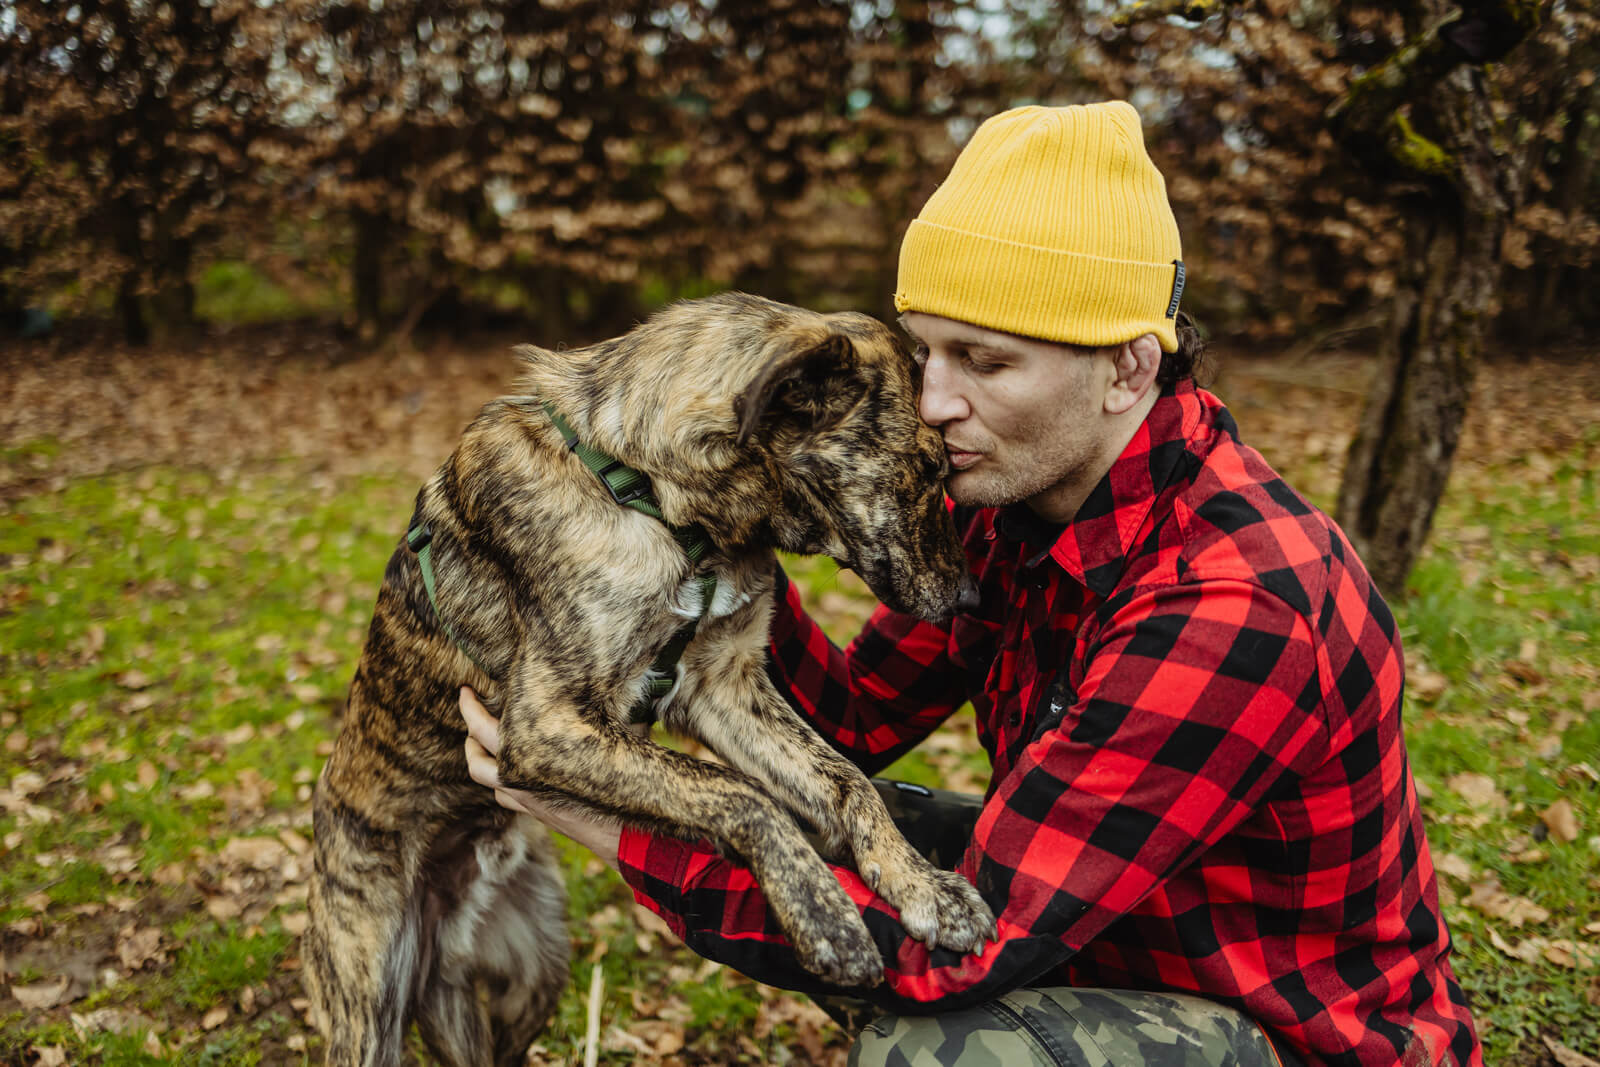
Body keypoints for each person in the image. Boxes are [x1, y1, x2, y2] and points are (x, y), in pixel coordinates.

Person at [460, 101, 1481, 1066]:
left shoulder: (1232, 602)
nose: (933, 402)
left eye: (983, 361)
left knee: (939, 1045)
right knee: (860, 823)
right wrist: (727, 519)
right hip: (1119, 941)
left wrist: (603, 811)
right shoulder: (1007, 509)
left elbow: (946, 954)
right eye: (924, 353)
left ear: (1126, 367)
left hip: (1292, 1035)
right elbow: (849, 715)